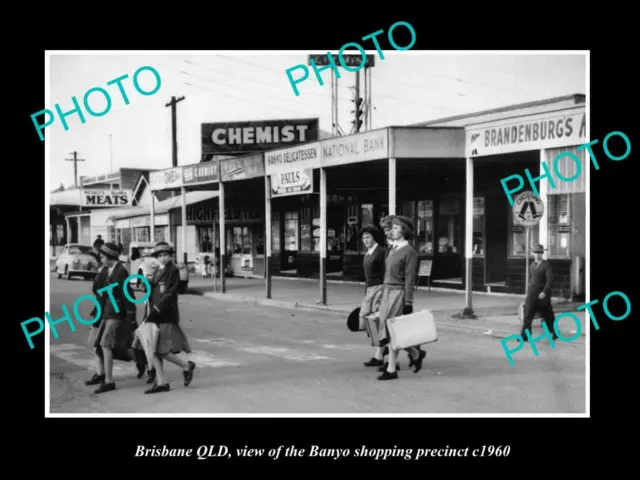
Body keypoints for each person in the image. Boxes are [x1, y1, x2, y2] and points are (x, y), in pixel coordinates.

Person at [88, 242, 147, 394]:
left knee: (107, 345)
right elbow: (97, 287)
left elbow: (128, 295)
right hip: (107, 312)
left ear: (109, 256)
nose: (100, 258)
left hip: (117, 313)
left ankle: (109, 381)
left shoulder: (121, 271)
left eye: (102, 256)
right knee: (104, 345)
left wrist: (131, 317)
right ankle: (140, 362)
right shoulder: (108, 269)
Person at [138, 241, 195, 395]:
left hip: (165, 314)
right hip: (154, 313)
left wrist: (157, 309)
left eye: (165, 255)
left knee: (161, 350)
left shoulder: (172, 271)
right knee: (154, 349)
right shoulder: (158, 269)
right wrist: (146, 287)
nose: (163, 258)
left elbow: (170, 294)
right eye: (160, 256)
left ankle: (185, 366)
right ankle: (162, 382)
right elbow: (154, 287)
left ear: (171, 256)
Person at [377, 216, 427, 381]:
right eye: (393, 227)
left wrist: (408, 302)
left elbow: (410, 279)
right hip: (387, 292)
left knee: (392, 330)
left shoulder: (410, 252)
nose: (393, 230)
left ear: (405, 231)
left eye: (397, 228)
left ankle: (392, 369)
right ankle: (415, 353)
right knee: (386, 329)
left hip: (398, 293)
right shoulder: (392, 248)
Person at [359, 225, 389, 369]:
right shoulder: (368, 253)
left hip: (379, 289)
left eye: (368, 237)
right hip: (370, 290)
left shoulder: (380, 252)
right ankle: (382, 351)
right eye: (364, 238)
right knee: (367, 321)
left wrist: (384, 293)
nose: (365, 240)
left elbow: (385, 273)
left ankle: (380, 354)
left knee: (377, 322)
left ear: (374, 237)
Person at [521, 244, 558, 341]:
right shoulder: (532, 265)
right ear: (532, 253)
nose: (537, 255)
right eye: (535, 252)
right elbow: (531, 279)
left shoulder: (546, 265)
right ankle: (525, 336)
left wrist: (544, 292)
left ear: (542, 253)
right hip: (532, 294)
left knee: (548, 315)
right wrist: (528, 292)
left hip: (542, 295)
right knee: (528, 314)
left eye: (539, 253)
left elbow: (549, 280)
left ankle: (555, 332)